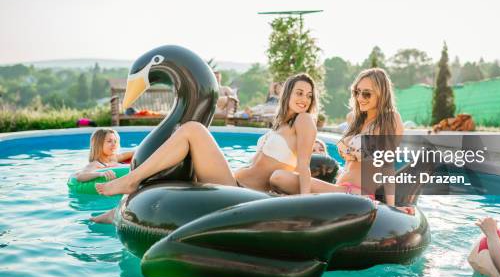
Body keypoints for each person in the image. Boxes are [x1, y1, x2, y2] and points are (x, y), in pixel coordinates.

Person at [95, 73, 318, 197]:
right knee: (182, 148)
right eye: (299, 93)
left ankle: (131, 180)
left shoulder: (304, 120)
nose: (304, 99)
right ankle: (120, 205)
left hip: (243, 192)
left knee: (193, 130)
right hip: (234, 180)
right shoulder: (281, 124)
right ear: (288, 93)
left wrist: (305, 200)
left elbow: (304, 166)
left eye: (309, 95)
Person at [270, 68, 411, 212]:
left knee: (279, 177)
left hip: (357, 194)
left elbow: (388, 166)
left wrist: (392, 207)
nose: (360, 98)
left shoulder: (390, 119)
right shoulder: (353, 118)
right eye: (357, 92)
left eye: (366, 94)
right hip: (339, 188)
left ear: (381, 94)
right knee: (278, 176)